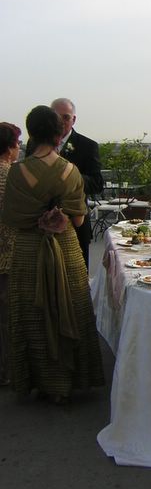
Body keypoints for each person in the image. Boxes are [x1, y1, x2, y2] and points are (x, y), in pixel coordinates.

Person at [3, 105, 104, 403]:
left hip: (28, 252)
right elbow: (78, 220)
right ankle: (69, 379)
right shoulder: (71, 171)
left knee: (30, 313)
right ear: (60, 133)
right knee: (69, 308)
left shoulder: (17, 172)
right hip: (66, 249)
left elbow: (12, 219)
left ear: (31, 132)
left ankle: (37, 380)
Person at [27, 98, 103, 269]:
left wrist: (70, 176)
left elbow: (97, 183)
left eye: (66, 117)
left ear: (74, 119)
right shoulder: (34, 145)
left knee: (76, 283)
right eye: (56, 117)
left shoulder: (88, 145)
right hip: (40, 225)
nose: (60, 122)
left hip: (75, 223)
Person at [0, 122, 22, 386]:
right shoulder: (12, 177)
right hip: (8, 256)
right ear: (9, 147)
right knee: (7, 317)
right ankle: (8, 372)